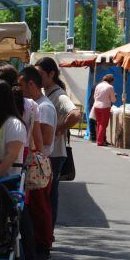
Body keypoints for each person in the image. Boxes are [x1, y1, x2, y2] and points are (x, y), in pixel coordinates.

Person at [35, 57, 80, 226]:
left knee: (48, 195)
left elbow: (75, 114)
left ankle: (48, 232)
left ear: (51, 74)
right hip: (50, 153)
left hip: (54, 154)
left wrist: (59, 129)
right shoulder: (47, 93)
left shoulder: (58, 95)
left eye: (40, 74)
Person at [19, 66, 57, 260]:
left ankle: (43, 244)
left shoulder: (43, 107)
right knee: (36, 206)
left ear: (31, 84)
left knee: (40, 206)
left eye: (21, 84)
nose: (19, 89)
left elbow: (47, 139)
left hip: (38, 162)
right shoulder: (36, 104)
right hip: (35, 161)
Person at [92, 74, 116, 146]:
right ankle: (100, 141)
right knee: (103, 124)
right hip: (105, 106)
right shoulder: (110, 87)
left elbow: (95, 96)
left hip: (96, 105)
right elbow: (113, 100)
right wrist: (115, 96)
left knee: (99, 123)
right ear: (111, 81)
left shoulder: (98, 85)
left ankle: (99, 140)